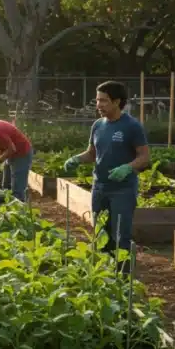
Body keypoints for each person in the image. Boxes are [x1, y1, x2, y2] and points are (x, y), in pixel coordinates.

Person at [64, 81, 150, 271]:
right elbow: (92, 153)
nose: (98, 105)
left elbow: (144, 156)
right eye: (97, 100)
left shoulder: (132, 126)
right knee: (100, 233)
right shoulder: (98, 125)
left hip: (123, 189)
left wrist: (127, 167)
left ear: (117, 102)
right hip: (99, 187)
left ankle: (123, 276)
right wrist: (77, 159)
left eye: (103, 101)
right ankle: (105, 273)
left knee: (120, 235)